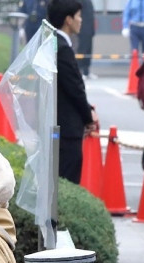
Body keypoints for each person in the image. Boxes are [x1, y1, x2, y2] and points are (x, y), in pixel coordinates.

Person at [50, 0, 97, 185]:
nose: (81, 20)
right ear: (68, 20)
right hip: (67, 128)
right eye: (78, 16)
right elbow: (75, 89)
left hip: (58, 125)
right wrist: (88, 117)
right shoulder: (62, 48)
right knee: (67, 181)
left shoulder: (53, 42)